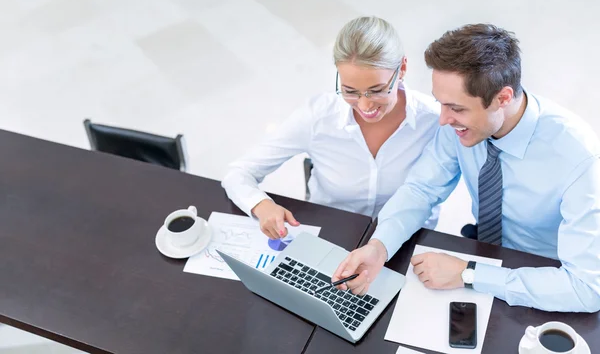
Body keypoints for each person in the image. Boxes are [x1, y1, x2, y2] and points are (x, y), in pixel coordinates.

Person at [333, 23, 600, 313]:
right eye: (441, 104)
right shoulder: (459, 124)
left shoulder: (580, 159)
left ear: (503, 98)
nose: (443, 120)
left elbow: (586, 289)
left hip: (545, 277)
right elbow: (422, 189)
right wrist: (379, 246)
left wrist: (469, 274)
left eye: (457, 108)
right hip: (485, 253)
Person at [221, 16, 440, 240]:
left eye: (377, 90)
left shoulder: (435, 121)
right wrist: (262, 205)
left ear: (402, 68)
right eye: (350, 91)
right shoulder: (318, 118)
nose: (364, 106)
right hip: (332, 235)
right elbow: (238, 173)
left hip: (409, 239)